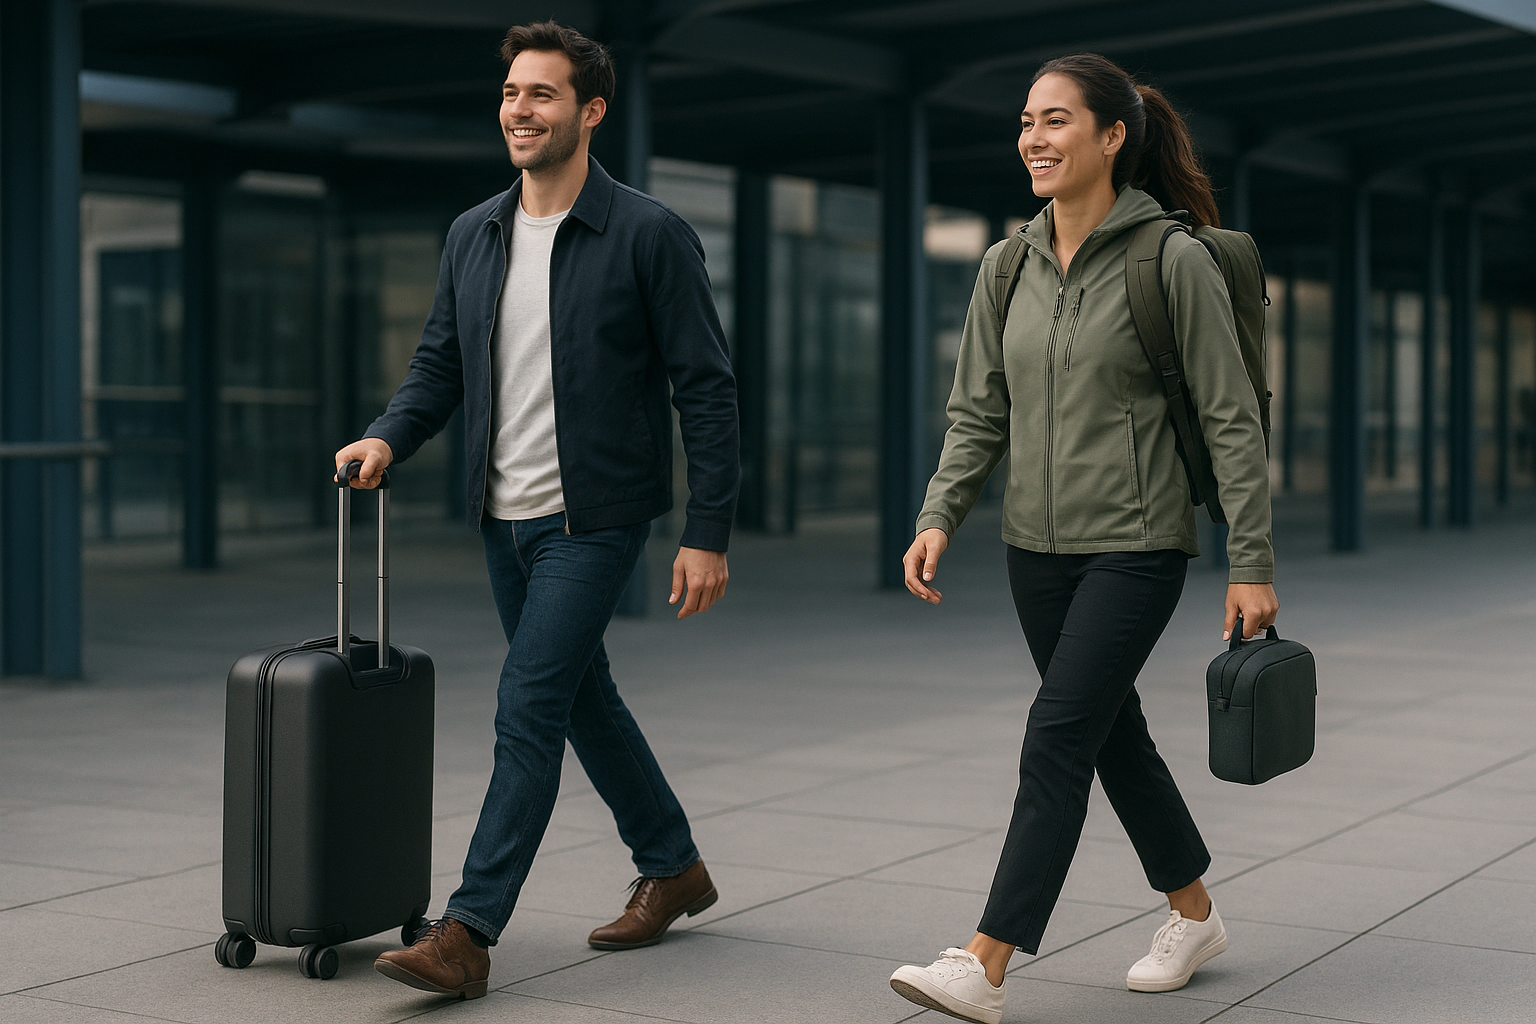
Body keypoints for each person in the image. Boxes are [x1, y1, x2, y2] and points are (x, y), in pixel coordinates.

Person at [335, 20, 739, 1000]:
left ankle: (467, 931)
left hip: (594, 516)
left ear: (590, 111)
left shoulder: (646, 231)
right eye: (513, 92)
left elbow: (707, 387)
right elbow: (440, 363)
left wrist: (706, 531)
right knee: (580, 699)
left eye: (543, 94)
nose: (521, 109)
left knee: (528, 706)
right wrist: (390, 432)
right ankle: (674, 864)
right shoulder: (474, 232)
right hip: (500, 515)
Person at [887, 53, 1278, 1024]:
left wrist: (1252, 561)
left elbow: (1231, 417)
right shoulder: (1006, 266)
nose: (1034, 137)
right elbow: (977, 409)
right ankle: (1193, 911)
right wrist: (941, 512)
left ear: (1112, 137)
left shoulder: (1170, 261)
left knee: (1057, 734)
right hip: (1036, 548)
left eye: (1056, 120)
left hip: (1140, 544)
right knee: (1110, 733)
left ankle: (985, 960)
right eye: (1027, 120)